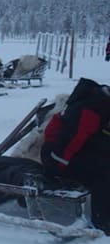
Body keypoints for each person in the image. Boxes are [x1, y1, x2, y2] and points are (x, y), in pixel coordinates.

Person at [40, 78, 110, 235]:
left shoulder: (102, 104)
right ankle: (102, 221)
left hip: (83, 148)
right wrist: (54, 167)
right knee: (105, 172)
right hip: (56, 154)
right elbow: (69, 140)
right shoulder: (93, 108)